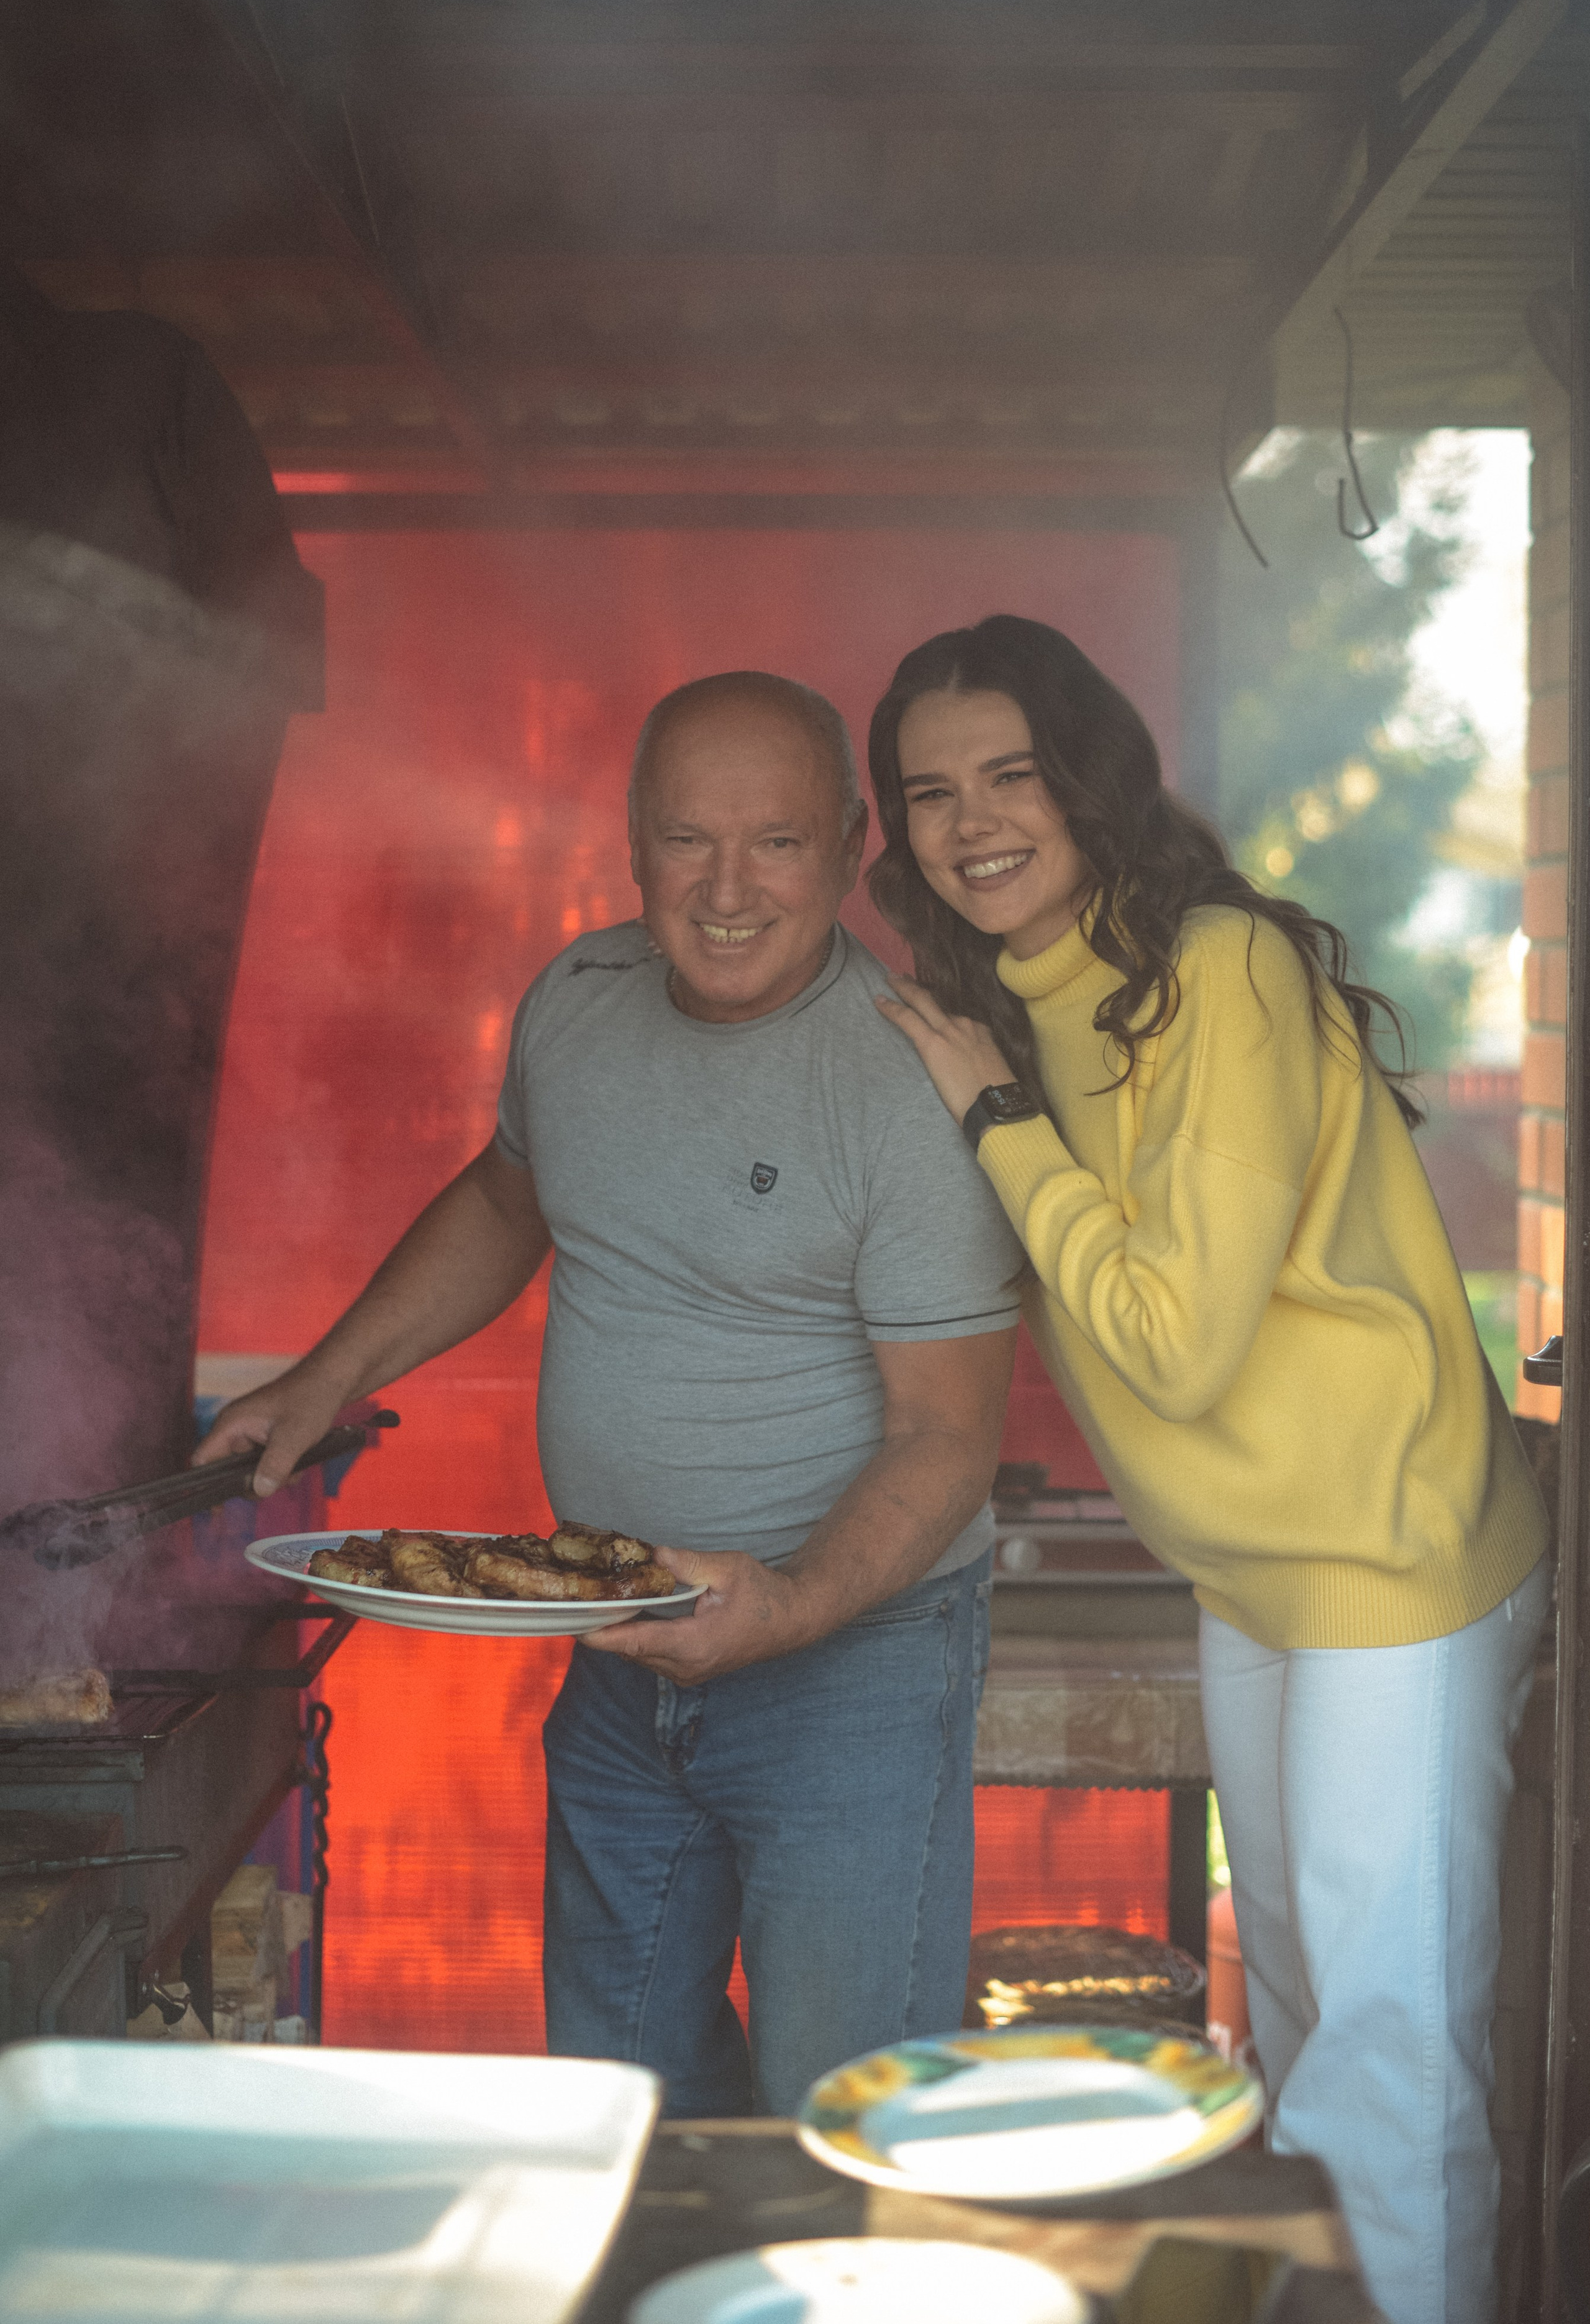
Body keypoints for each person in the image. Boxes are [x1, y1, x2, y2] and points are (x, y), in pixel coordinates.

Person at [198, 669, 1022, 2118]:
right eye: (684, 839)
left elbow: (948, 1434)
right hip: (614, 1646)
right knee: (618, 2102)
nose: (723, 888)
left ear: (848, 853)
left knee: (850, 2118)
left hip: (853, 1671)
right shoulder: (576, 1003)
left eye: (773, 841)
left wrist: (782, 1608)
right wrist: (326, 1379)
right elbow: (509, 1203)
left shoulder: (906, 1080)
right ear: (630, 843)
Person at [865, 613, 1548, 2324]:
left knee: (1389, 2040)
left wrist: (995, 1122)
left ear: (1087, 776)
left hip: (1396, 1552)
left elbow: (1176, 1336)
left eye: (1010, 773)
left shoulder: (1219, 969)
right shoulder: (1023, 997)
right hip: (1251, 1561)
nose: (970, 821)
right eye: (930, 791)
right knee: (1307, 2007)